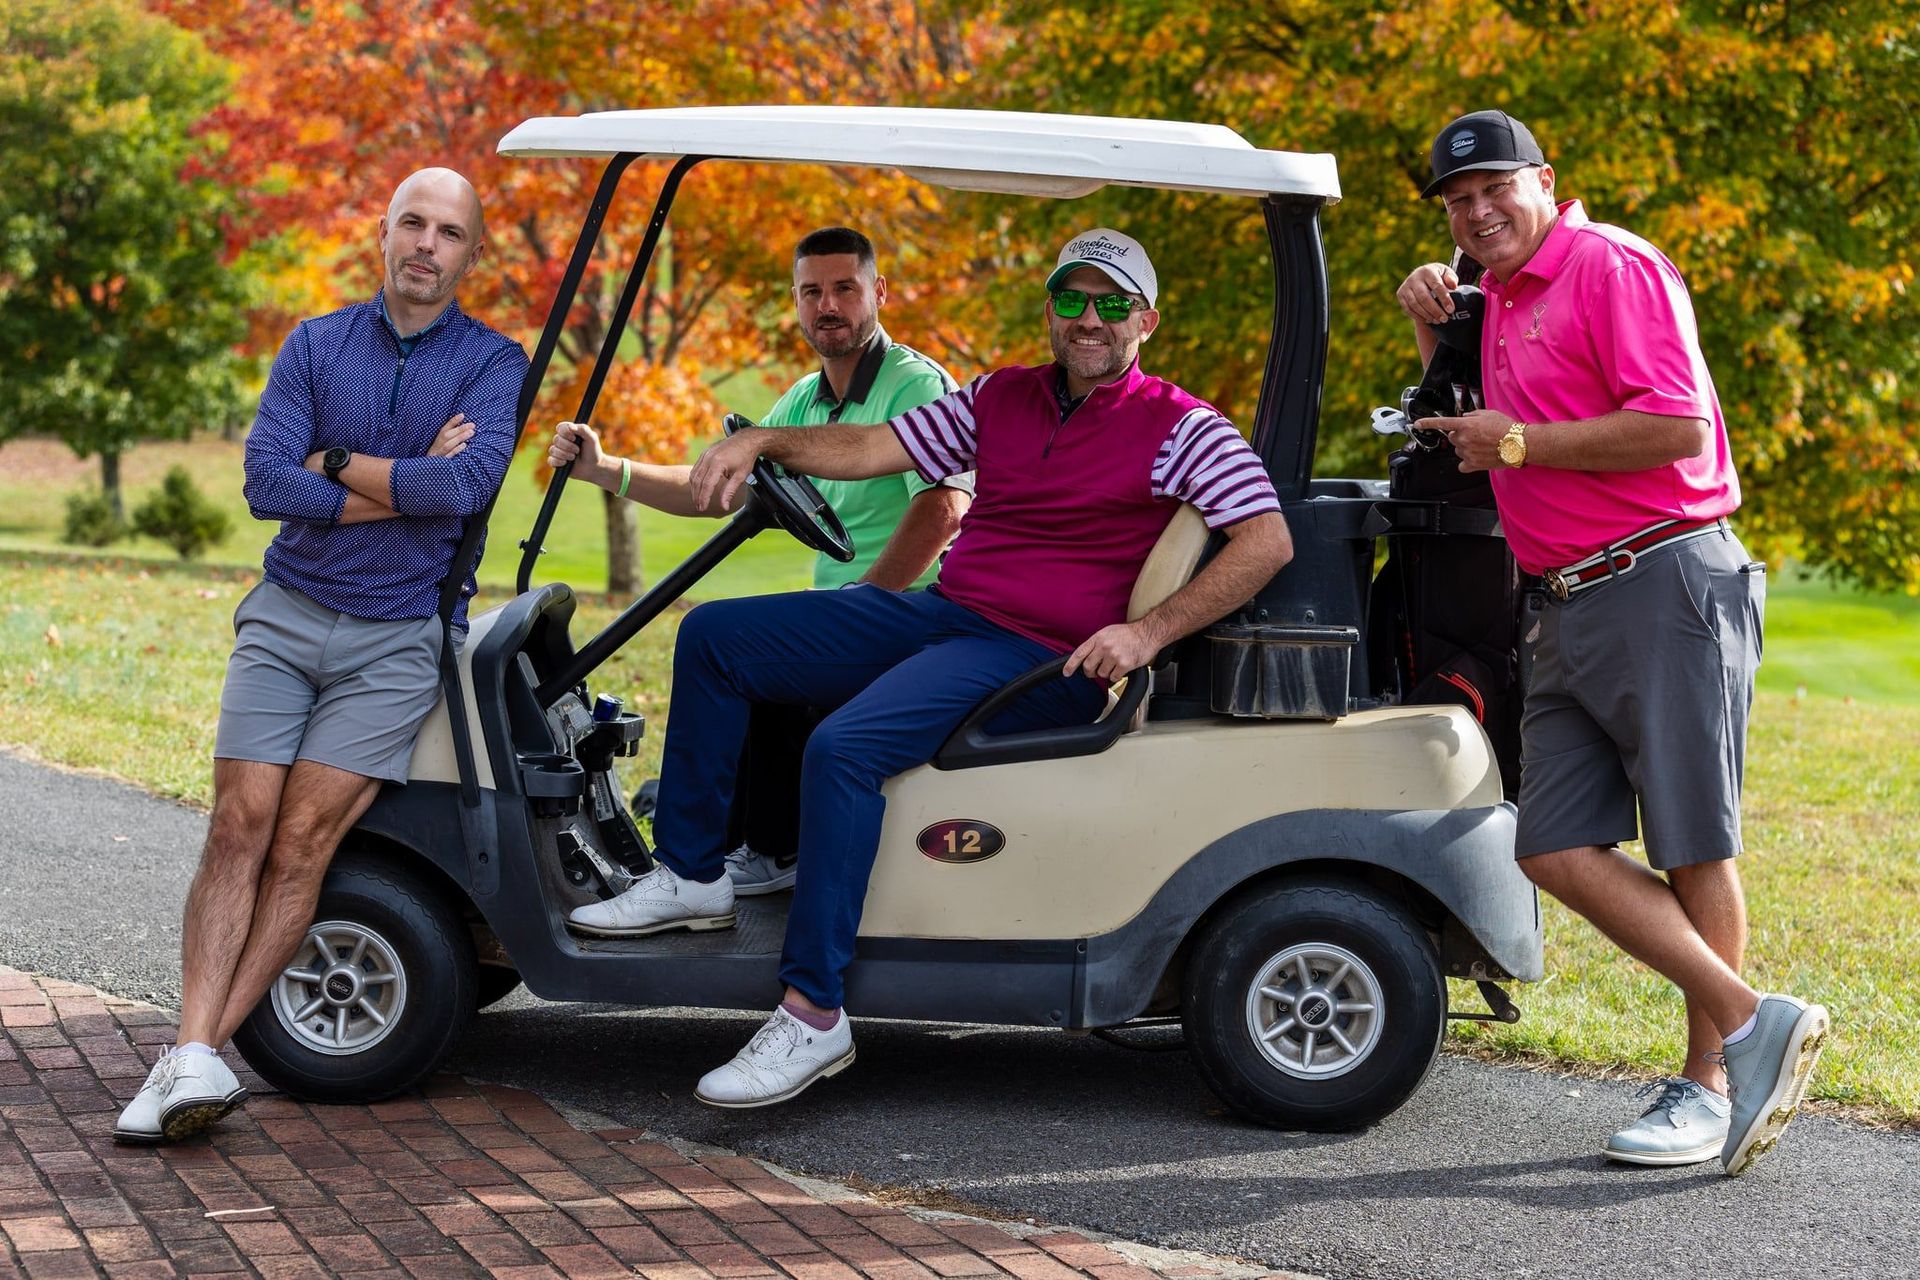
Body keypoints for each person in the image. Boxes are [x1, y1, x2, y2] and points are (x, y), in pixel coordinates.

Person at [565, 227, 1294, 1108]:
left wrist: (1146, 635)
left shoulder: (1181, 424)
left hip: (1039, 658)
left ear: (1146, 318)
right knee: (717, 636)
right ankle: (693, 874)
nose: (1088, 319)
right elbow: (875, 448)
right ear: (1052, 311)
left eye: (1110, 303)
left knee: (840, 749)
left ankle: (813, 1013)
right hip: (947, 616)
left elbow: (1267, 539)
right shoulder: (1000, 397)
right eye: (1072, 299)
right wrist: (762, 440)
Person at [1395, 111, 1828, 1176]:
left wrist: (1522, 441)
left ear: (1545, 178)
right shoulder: (1492, 297)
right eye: (1459, 200)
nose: (1479, 210)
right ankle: (1750, 1017)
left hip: (1664, 576)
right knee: (1547, 842)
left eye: (1496, 187)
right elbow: (1484, 424)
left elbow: (1679, 423)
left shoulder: (1610, 264)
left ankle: (1712, 1085)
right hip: (1560, 598)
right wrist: (1433, 328)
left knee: (1691, 842)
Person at [113, 168, 528, 1145]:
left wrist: (332, 462)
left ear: (471, 253)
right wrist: (401, 478)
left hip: (395, 640)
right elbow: (265, 480)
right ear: (382, 233)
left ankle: (195, 1052)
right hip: (287, 616)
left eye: (450, 232)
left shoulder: (491, 361)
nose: (428, 244)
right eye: (413, 224)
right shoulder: (315, 342)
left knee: (302, 838)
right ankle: (195, 1052)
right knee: (238, 823)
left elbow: (464, 485)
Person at [547, 227, 970, 897]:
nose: (828, 306)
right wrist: (608, 470)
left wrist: (860, 603)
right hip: (869, 615)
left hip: (916, 613)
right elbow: (720, 490)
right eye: (812, 293)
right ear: (797, 304)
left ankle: (692, 871)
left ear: (878, 292)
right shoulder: (805, 400)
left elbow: (945, 508)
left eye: (844, 289)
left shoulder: (914, 384)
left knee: (715, 635)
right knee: (758, 653)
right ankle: (766, 848)